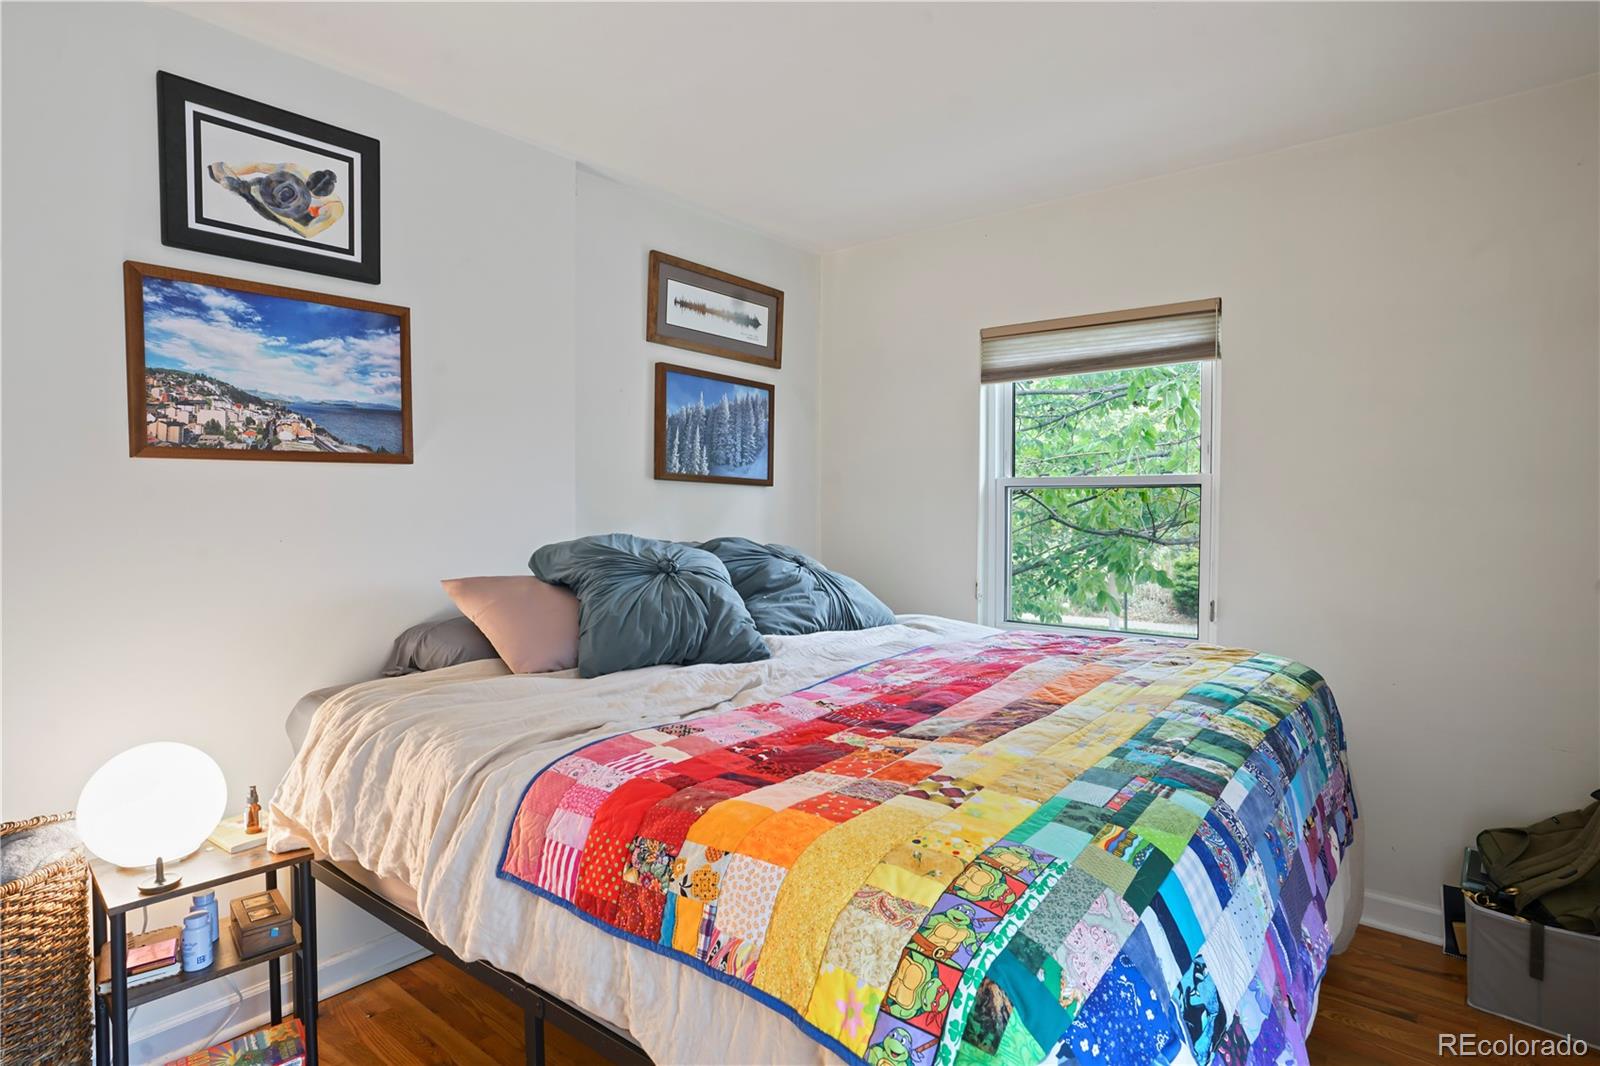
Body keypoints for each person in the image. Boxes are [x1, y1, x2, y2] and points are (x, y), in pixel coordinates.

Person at [207, 160, 344, 239]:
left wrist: (279, 214)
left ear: (321, 196)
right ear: (308, 178)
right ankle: (241, 185)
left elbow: (308, 232)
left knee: (254, 196)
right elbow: (259, 167)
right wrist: (234, 170)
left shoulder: (334, 209)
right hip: (272, 191)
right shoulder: (294, 170)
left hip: (294, 217)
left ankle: (243, 189)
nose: (306, 192)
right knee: (264, 183)